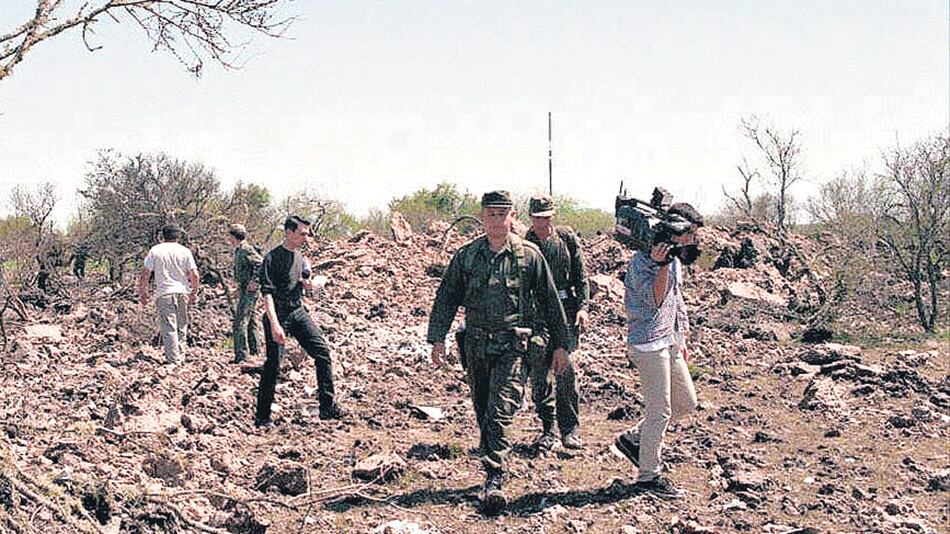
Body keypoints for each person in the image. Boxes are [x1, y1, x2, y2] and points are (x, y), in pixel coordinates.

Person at [427, 190, 571, 513]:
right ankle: (491, 453)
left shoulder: (529, 256)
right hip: (476, 345)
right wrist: (438, 338)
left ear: (512, 217)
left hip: (512, 347)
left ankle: (495, 478)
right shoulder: (467, 256)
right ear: (482, 217)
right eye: (490, 213)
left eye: (502, 213)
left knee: (498, 410)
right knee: (482, 409)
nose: (496, 219)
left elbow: (550, 301)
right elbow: (447, 296)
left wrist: (561, 345)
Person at [613, 202, 703, 500]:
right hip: (649, 342)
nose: (692, 240)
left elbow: (676, 299)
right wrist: (661, 265)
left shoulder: (674, 259)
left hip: (670, 340)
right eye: (689, 234)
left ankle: (635, 439)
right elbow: (655, 301)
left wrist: (683, 336)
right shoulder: (642, 263)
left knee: (686, 403)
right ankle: (648, 476)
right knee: (660, 411)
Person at [255, 215, 343, 427]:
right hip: (278, 314)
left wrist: (308, 284)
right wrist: (275, 325)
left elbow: (302, 284)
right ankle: (262, 416)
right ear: (288, 232)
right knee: (273, 365)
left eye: (307, 233)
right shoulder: (271, 258)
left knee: (322, 353)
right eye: (302, 233)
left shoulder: (300, 257)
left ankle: (327, 407)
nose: (306, 237)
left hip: (298, 311)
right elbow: (267, 295)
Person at [522, 194, 590, 451]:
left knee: (566, 371)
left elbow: (581, 278)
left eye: (547, 218)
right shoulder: (523, 244)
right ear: (530, 217)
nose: (542, 223)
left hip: (565, 311)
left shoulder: (566, 239)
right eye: (538, 218)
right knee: (540, 375)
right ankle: (548, 428)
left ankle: (570, 429)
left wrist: (582, 308)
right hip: (535, 315)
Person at [138, 224, 199, 364]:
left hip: (164, 293)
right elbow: (194, 274)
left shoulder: (156, 250)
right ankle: (181, 356)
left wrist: (143, 293)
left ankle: (173, 360)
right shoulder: (185, 251)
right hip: (182, 292)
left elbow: (145, 273)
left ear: (162, 236)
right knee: (182, 325)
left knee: (169, 327)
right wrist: (193, 292)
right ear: (178, 236)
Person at [227, 223, 264, 363]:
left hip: (250, 290)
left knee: (239, 322)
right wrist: (239, 289)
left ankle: (241, 356)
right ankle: (255, 352)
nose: (228, 238)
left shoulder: (245, 249)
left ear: (233, 236)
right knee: (251, 321)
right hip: (244, 288)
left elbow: (261, 264)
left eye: (229, 235)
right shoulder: (239, 250)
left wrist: (256, 281)